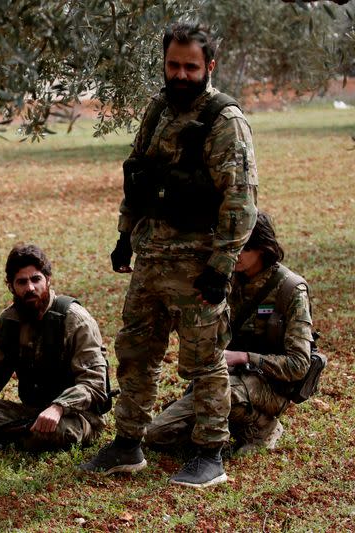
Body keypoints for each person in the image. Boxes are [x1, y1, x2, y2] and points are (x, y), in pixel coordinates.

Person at [80, 22, 258, 488]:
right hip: (150, 260)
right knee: (136, 352)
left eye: (190, 67)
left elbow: (240, 201)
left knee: (204, 362)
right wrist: (124, 236)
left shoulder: (225, 120)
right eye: (173, 65)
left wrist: (221, 269)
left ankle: (209, 453)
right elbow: (136, 175)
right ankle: (127, 443)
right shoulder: (158, 109)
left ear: (209, 66)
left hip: (198, 268)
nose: (180, 74)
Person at [146, 212, 313, 454]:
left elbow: (299, 365)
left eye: (243, 248)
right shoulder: (226, 279)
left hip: (270, 386)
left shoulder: (291, 290)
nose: (235, 255)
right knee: (157, 435)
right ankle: (226, 431)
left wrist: (244, 357)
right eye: (231, 247)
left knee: (224, 396)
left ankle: (262, 425)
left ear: (263, 248)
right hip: (224, 377)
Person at [0, 244, 109, 451]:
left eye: (36, 279)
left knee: (55, 433)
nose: (30, 288)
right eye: (22, 282)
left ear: (48, 280)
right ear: (11, 286)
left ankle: (5, 438)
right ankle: (17, 435)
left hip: (77, 417)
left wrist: (59, 406)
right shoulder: (9, 321)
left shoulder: (75, 320)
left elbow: (95, 384)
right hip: (31, 412)